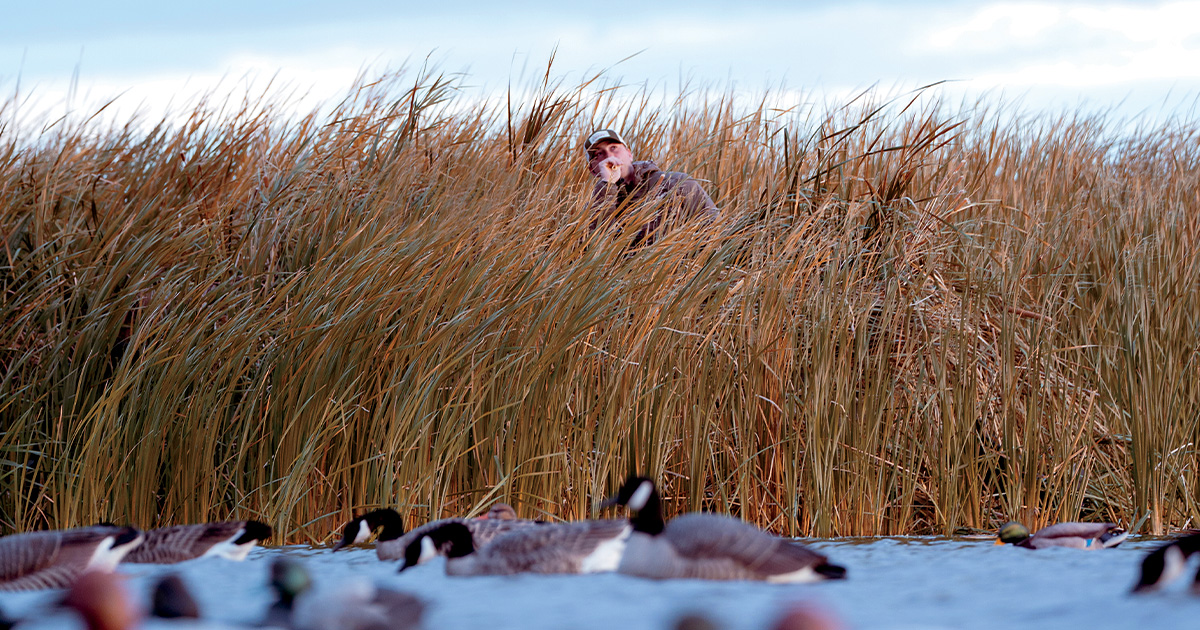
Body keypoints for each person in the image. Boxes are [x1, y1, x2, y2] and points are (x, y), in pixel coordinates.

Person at [584, 129, 718, 247]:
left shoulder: (677, 183)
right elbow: (596, 250)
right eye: (599, 154)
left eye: (614, 148)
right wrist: (607, 186)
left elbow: (716, 231)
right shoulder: (592, 207)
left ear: (629, 154)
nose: (610, 156)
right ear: (593, 170)